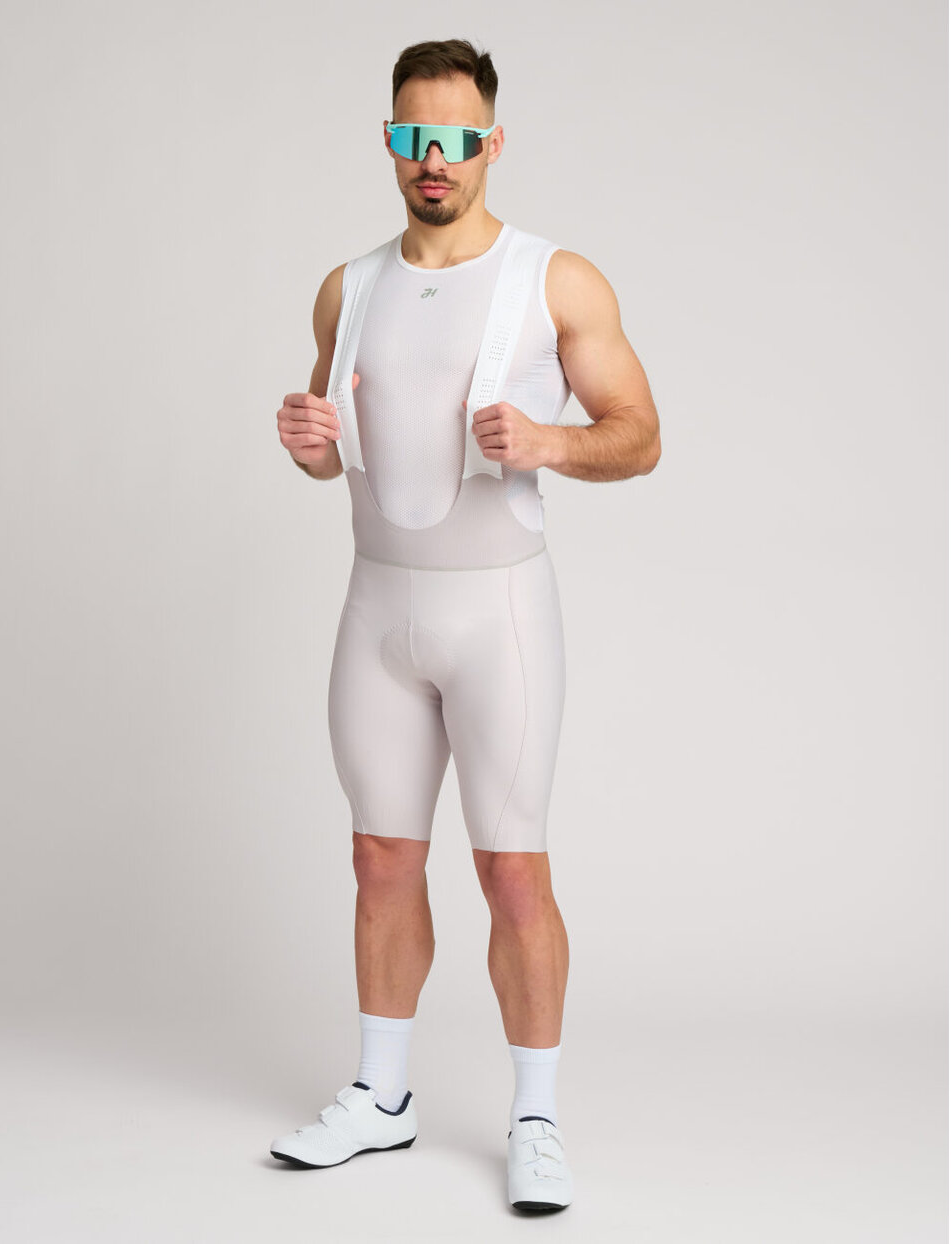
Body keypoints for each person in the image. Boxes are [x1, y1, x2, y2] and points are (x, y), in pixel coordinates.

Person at [270, 38, 661, 1213]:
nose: (430, 159)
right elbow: (338, 450)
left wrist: (549, 441)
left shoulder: (556, 280)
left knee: (511, 870)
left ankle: (534, 1117)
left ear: (491, 144)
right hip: (376, 610)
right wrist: (308, 448)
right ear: (389, 143)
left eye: (452, 139)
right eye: (411, 137)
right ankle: (381, 1094)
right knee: (379, 858)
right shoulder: (347, 287)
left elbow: (639, 433)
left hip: (499, 617)